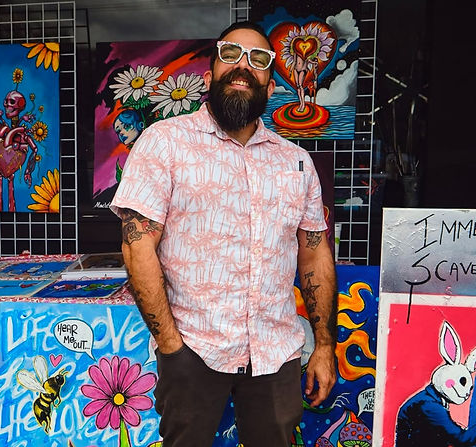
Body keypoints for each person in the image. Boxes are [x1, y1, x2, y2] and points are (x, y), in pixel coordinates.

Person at [110, 20, 337, 447]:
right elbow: (137, 245)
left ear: (272, 86)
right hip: (193, 350)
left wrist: (324, 345)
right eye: (230, 54)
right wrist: (171, 347)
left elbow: (314, 253)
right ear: (210, 73)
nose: (243, 66)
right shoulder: (165, 143)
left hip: (275, 354)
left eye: (258, 59)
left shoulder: (297, 163)